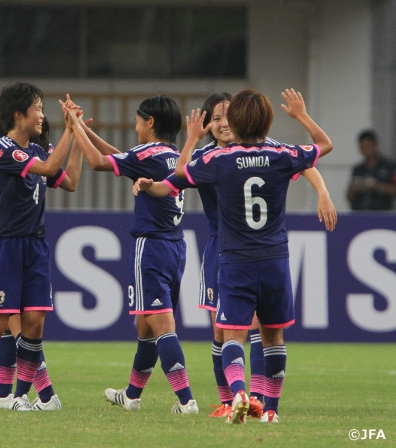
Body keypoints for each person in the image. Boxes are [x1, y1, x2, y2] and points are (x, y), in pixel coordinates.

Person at [136, 88, 334, 424]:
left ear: (237, 122)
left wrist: (190, 140)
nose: (222, 123)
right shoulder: (279, 153)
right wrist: (300, 115)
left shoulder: (216, 161)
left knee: (231, 331)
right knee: (267, 333)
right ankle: (266, 408)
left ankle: (242, 394)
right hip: (271, 255)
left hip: (232, 253)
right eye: (216, 119)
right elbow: (320, 148)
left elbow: (178, 176)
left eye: (227, 117)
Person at [64, 94, 198, 415]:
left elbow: (98, 162)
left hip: (150, 246)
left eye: (139, 118)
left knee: (160, 324)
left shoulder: (146, 152)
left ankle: (186, 400)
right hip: (176, 248)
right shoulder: (172, 155)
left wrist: (72, 126)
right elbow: (119, 156)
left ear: (150, 122)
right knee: (145, 325)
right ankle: (132, 396)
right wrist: (83, 128)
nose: (135, 124)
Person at [0, 82, 82, 411]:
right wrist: (70, 129)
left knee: (35, 322)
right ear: (18, 114)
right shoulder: (2, 150)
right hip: (4, 247)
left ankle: (21, 396)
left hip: (35, 246)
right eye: (37, 108)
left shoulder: (36, 151)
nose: (42, 115)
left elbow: (69, 181)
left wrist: (77, 137)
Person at [347, 129, 396, 210]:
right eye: (362, 147)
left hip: (381, 215)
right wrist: (355, 188)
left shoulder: (389, 166)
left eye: (368, 147)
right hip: (359, 214)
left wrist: (378, 186)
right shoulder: (358, 169)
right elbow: (349, 196)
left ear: (375, 145)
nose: (365, 150)